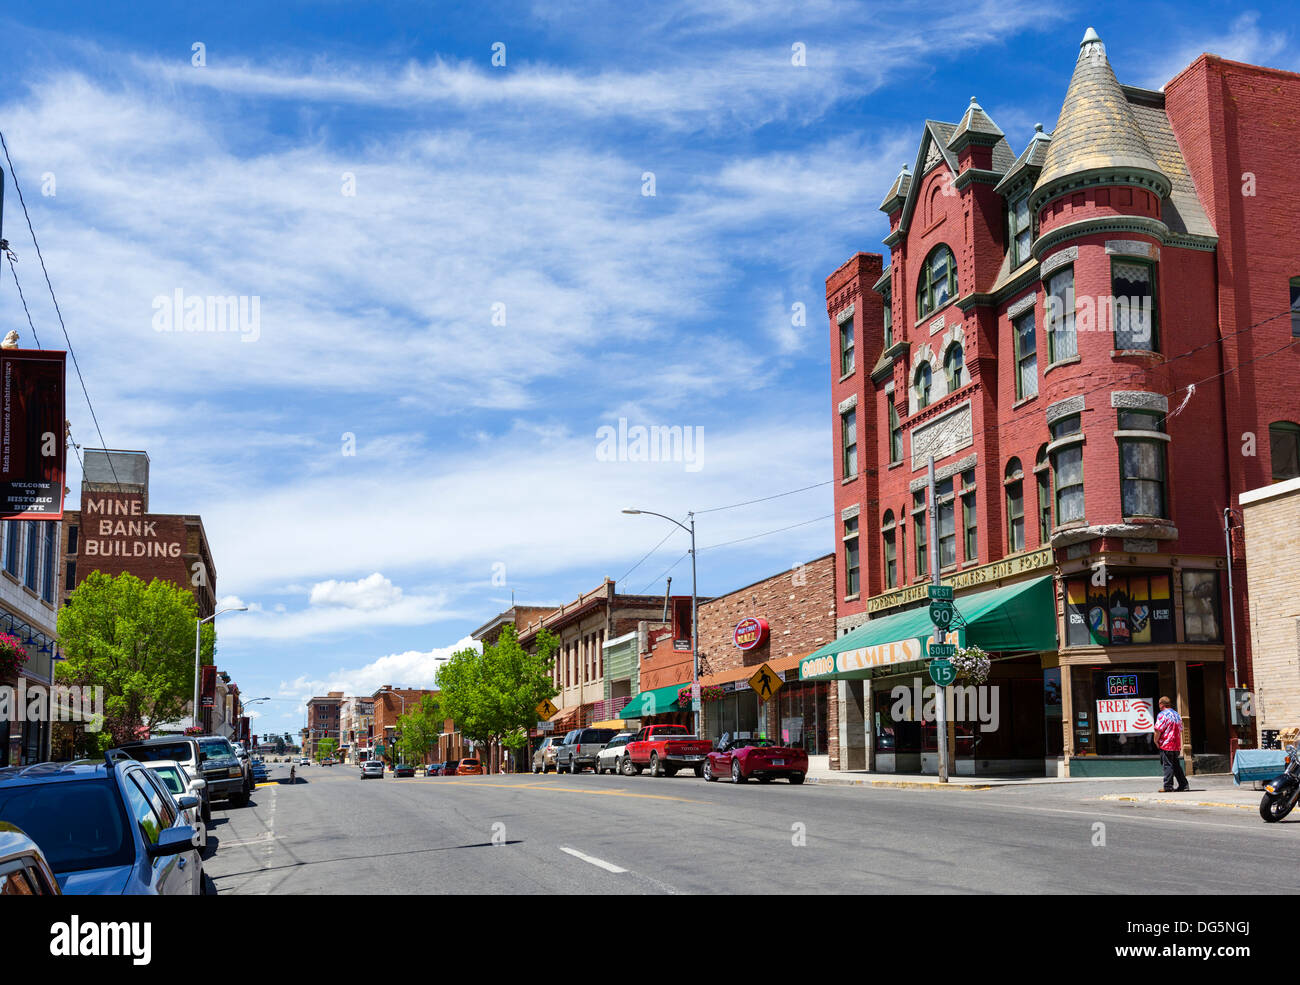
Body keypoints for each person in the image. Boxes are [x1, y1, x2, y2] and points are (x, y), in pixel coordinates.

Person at [1153, 696, 1188, 792]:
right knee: (1176, 766)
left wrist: (1155, 741)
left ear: (1161, 704)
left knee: (1167, 765)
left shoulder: (1162, 715)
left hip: (1166, 744)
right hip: (1176, 744)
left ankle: (1168, 786)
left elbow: (1158, 729)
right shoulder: (1177, 715)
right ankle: (1183, 785)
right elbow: (1180, 729)